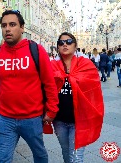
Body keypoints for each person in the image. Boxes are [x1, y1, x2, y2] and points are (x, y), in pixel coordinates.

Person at [0, 10, 59, 163]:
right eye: (4, 25)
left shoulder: (36, 50)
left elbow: (49, 82)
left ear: (22, 27)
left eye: (12, 24)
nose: (7, 29)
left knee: (40, 155)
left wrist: (52, 109)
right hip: (6, 119)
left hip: (32, 118)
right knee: (1, 158)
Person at [51, 32, 104, 163]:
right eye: (61, 42)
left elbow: (94, 89)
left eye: (69, 42)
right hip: (59, 120)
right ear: (57, 47)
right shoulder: (51, 66)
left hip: (79, 121)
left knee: (76, 158)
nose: (64, 44)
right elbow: (45, 90)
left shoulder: (85, 64)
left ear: (75, 46)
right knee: (65, 152)